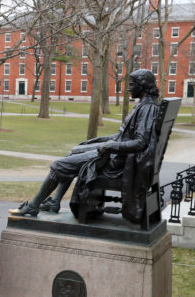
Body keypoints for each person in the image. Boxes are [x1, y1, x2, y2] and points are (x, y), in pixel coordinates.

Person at [9, 69, 161, 223]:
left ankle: (33, 206)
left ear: (141, 86)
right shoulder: (145, 105)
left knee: (57, 166)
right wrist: (98, 140)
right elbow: (124, 136)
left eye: (131, 84)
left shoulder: (148, 108)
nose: (128, 88)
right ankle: (55, 202)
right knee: (74, 152)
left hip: (118, 163)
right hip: (118, 155)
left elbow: (140, 143)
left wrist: (109, 146)